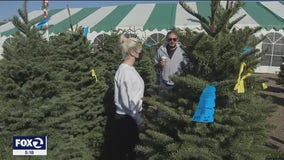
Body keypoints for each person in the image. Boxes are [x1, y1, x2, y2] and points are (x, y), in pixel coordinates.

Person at [108, 35, 144, 160]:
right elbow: (126, 100)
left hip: (131, 117)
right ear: (131, 52)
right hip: (127, 120)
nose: (140, 51)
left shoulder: (130, 69)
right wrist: (138, 121)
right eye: (138, 49)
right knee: (128, 153)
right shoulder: (124, 72)